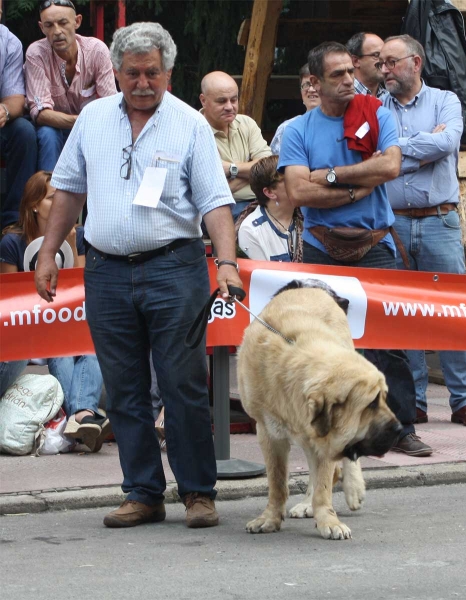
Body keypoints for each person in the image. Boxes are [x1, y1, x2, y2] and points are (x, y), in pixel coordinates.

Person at [34, 22, 243, 529]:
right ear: (118, 73)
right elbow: (68, 190)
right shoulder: (92, 120)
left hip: (175, 268)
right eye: (132, 73)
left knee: (182, 386)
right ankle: (143, 492)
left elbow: (215, 202)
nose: (142, 82)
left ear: (168, 73)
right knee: (124, 389)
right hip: (104, 271)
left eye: (152, 72)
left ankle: (198, 492)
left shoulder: (190, 125)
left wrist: (229, 263)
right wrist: (47, 255)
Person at [278, 40, 432, 457]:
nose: (350, 81)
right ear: (314, 82)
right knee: (324, 343)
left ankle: (401, 429)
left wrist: (329, 176)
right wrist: (356, 191)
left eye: (351, 71)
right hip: (321, 248)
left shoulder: (377, 113)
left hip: (375, 244)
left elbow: (390, 166)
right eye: (337, 75)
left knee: (390, 340)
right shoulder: (297, 130)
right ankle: (334, 429)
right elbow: (295, 190)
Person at [379, 34, 466, 428]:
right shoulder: (376, 108)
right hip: (393, 223)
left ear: (416, 62)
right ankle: (414, 401)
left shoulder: (447, 100)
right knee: (403, 311)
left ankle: (465, 401)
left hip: (440, 219)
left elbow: (447, 143)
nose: (384, 70)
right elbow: (376, 157)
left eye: (391, 62)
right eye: (382, 64)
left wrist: (397, 153)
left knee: (451, 310)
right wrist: (419, 151)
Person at [0, 170, 109, 452]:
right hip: (30, 329)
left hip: (66, 323)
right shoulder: (12, 243)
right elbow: (14, 300)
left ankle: (81, 414)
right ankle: (82, 415)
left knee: (87, 343)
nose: (61, 202)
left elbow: (79, 293)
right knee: (61, 344)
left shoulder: (80, 235)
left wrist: (71, 244)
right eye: (52, 198)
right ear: (34, 205)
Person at [24, 0, 116, 171]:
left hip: (92, 129)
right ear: (42, 28)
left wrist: (88, 124)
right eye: (49, 25)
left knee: (104, 136)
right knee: (47, 133)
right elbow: (41, 114)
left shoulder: (97, 51)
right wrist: (83, 121)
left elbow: (110, 107)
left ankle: (99, 194)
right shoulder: (36, 54)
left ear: (77, 21)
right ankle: (50, 194)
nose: (57, 31)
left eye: (63, 23)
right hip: (56, 129)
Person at [199, 71, 272, 220]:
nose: (229, 107)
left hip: (259, 201)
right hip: (219, 207)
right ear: (203, 100)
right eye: (221, 101)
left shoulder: (246, 123)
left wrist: (231, 169)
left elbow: (269, 168)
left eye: (234, 100)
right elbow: (210, 191)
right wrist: (252, 173)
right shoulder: (194, 132)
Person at [0, 0, 37, 228]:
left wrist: (3, 110)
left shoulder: (9, 42)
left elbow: (15, 99)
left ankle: (13, 222)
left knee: (24, 132)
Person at [237, 154, 303, 262]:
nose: (297, 182)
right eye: (288, 179)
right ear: (269, 192)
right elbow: (261, 277)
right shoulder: (251, 230)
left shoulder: (309, 217)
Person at [270, 64, 321, 154]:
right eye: (306, 85)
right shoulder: (286, 128)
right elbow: (274, 166)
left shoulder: (340, 125)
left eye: (316, 84)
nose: (311, 89)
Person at [346, 32, 386, 98]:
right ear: (355, 61)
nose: (384, 61)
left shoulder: (391, 98)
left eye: (384, 55)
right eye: (376, 55)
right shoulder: (344, 97)